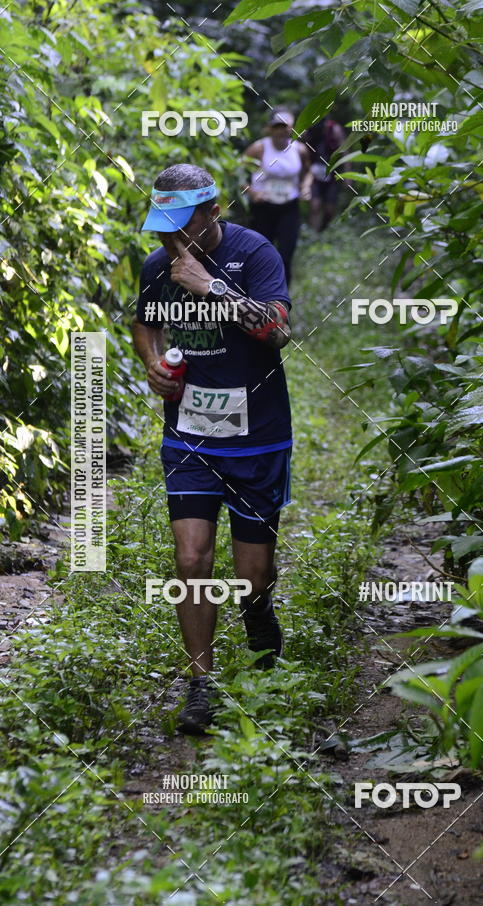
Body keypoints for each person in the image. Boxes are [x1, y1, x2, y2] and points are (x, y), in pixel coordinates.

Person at [132, 163, 293, 735]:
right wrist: (153, 364)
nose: (169, 239)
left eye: (181, 225)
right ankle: (201, 684)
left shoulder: (256, 255)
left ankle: (258, 611)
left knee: (252, 574)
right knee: (192, 558)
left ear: (213, 212)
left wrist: (211, 287)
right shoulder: (158, 266)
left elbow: (278, 332)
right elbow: (144, 323)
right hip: (189, 435)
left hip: (258, 435)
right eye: (163, 226)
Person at [244, 109, 311, 284]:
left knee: (286, 251)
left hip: (289, 206)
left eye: (286, 127)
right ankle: (257, 291)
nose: (282, 131)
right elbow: (237, 175)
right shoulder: (258, 148)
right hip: (263, 206)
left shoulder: (300, 149)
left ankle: (282, 297)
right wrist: (252, 192)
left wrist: (305, 186)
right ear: (269, 129)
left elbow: (308, 172)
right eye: (278, 127)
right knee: (260, 251)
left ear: (293, 128)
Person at [303, 116, 346, 233]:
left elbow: (344, 152)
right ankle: (314, 233)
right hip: (313, 173)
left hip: (331, 174)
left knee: (329, 210)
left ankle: (323, 230)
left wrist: (347, 175)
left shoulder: (335, 130)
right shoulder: (309, 130)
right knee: (315, 205)